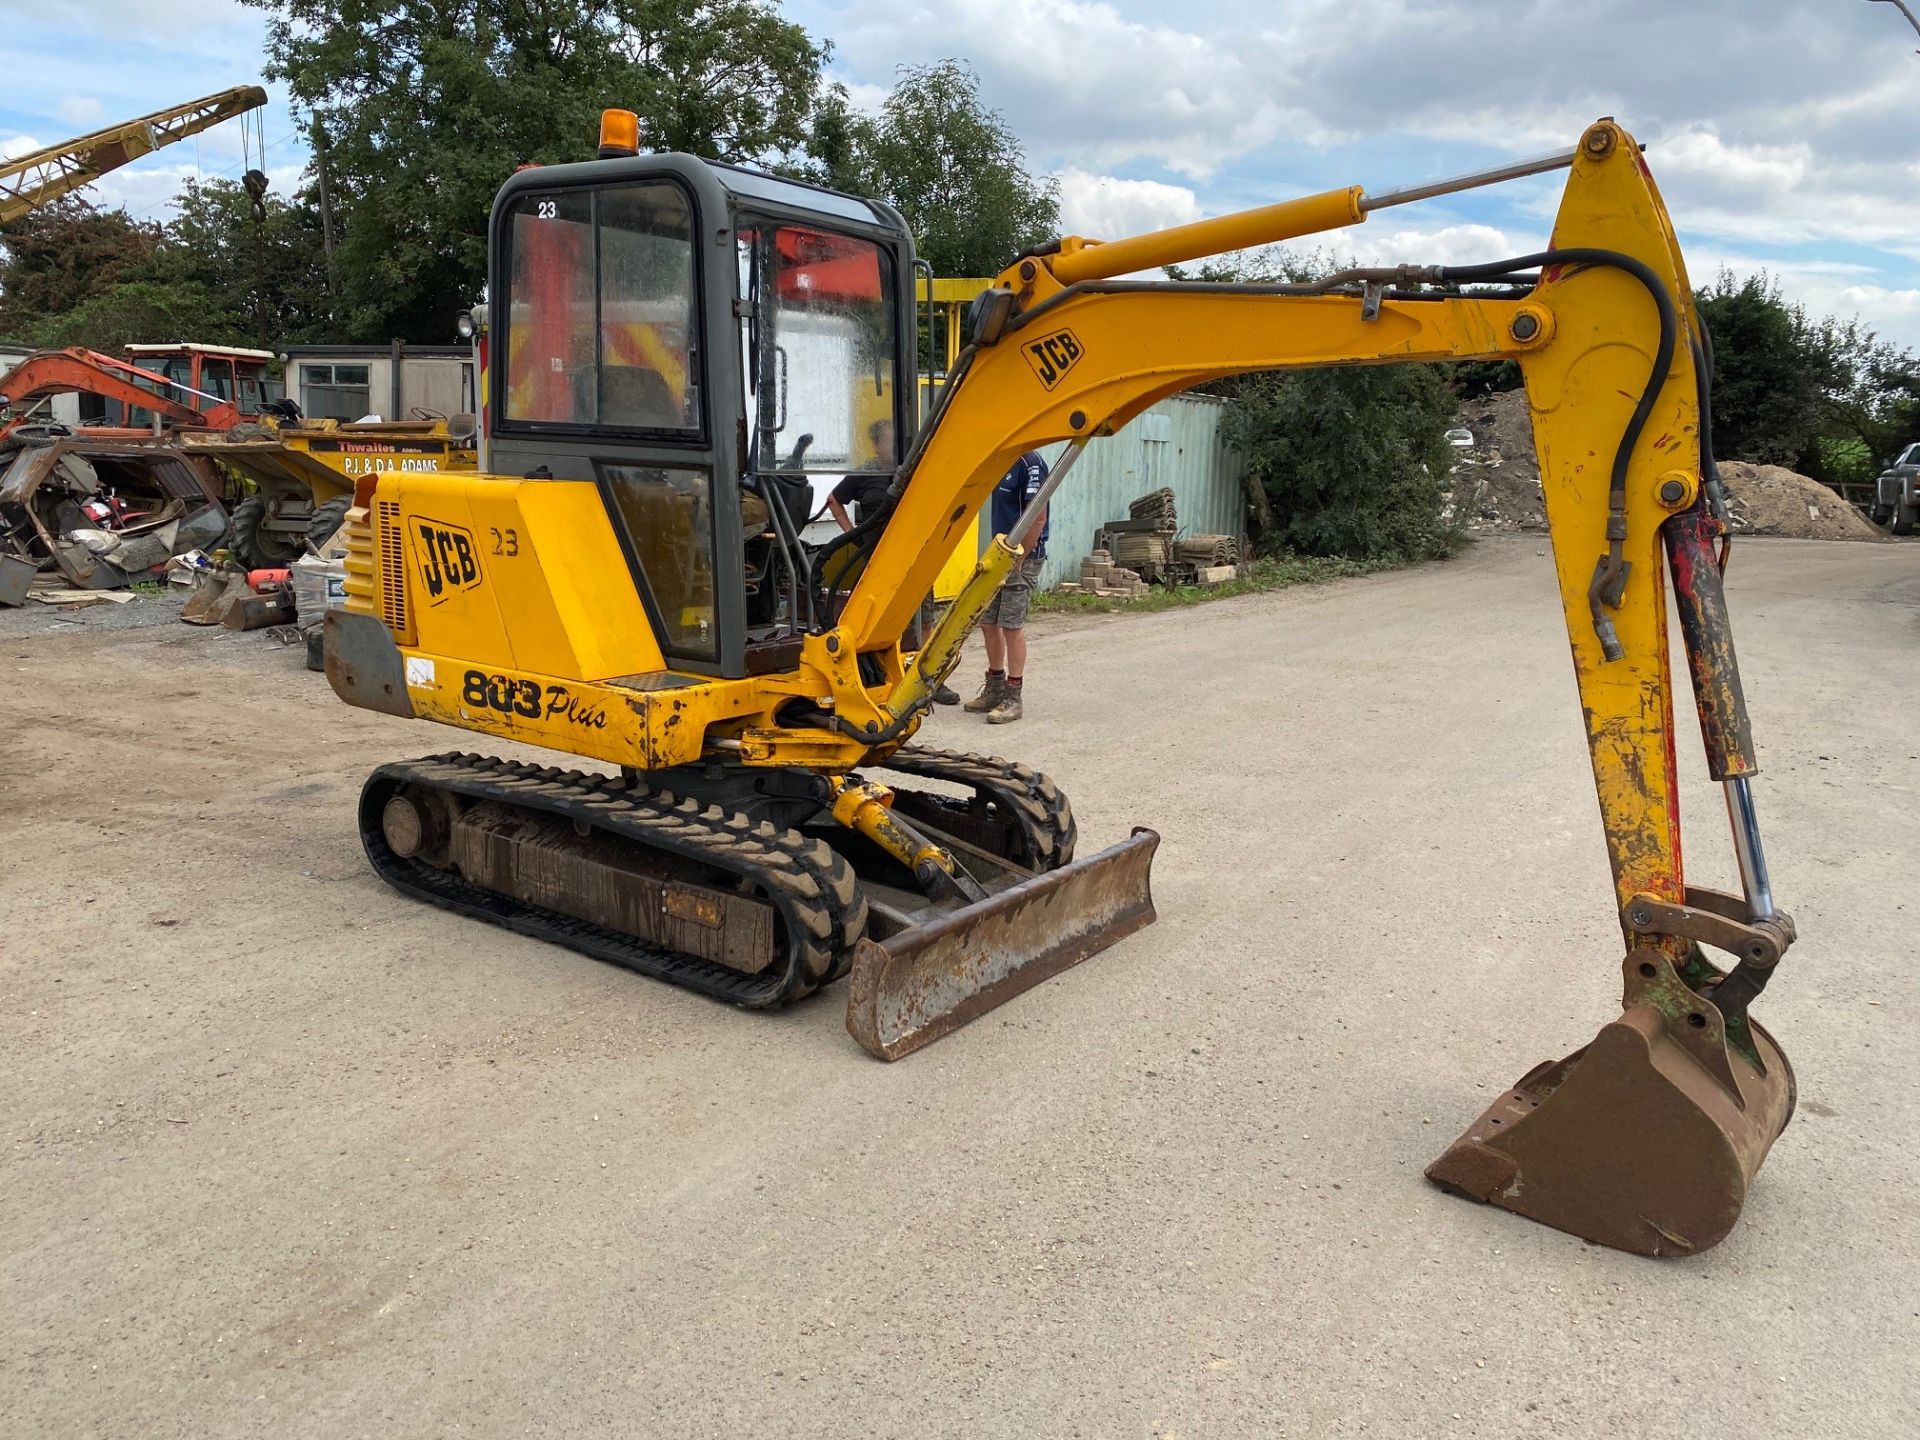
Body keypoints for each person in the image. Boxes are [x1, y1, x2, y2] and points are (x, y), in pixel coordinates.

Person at [827, 418, 960, 705]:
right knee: (881, 619)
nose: (893, 445)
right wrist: (852, 534)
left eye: (895, 440)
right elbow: (833, 500)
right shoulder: (863, 474)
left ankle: (931, 679)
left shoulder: (912, 471)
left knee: (924, 618)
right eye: (887, 440)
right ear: (876, 444)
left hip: (913, 556)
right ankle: (883, 678)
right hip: (876, 559)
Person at [965, 450, 1049, 724]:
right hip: (999, 555)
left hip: (1020, 558)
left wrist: (1020, 556)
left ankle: (1014, 696)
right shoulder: (1002, 459)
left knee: (1011, 626)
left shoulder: (1031, 464)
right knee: (989, 623)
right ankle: (995, 687)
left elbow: (1037, 517)